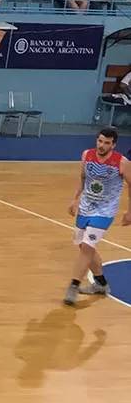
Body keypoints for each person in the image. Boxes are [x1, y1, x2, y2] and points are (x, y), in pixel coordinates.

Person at [64, 128, 129, 305]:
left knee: (87, 246)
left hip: (105, 211)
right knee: (83, 246)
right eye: (100, 141)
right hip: (85, 207)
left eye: (107, 143)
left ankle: (73, 286)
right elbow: (83, 178)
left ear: (113, 145)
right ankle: (101, 283)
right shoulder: (87, 155)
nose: (102, 145)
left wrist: (130, 211)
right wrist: (75, 199)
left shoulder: (122, 163)